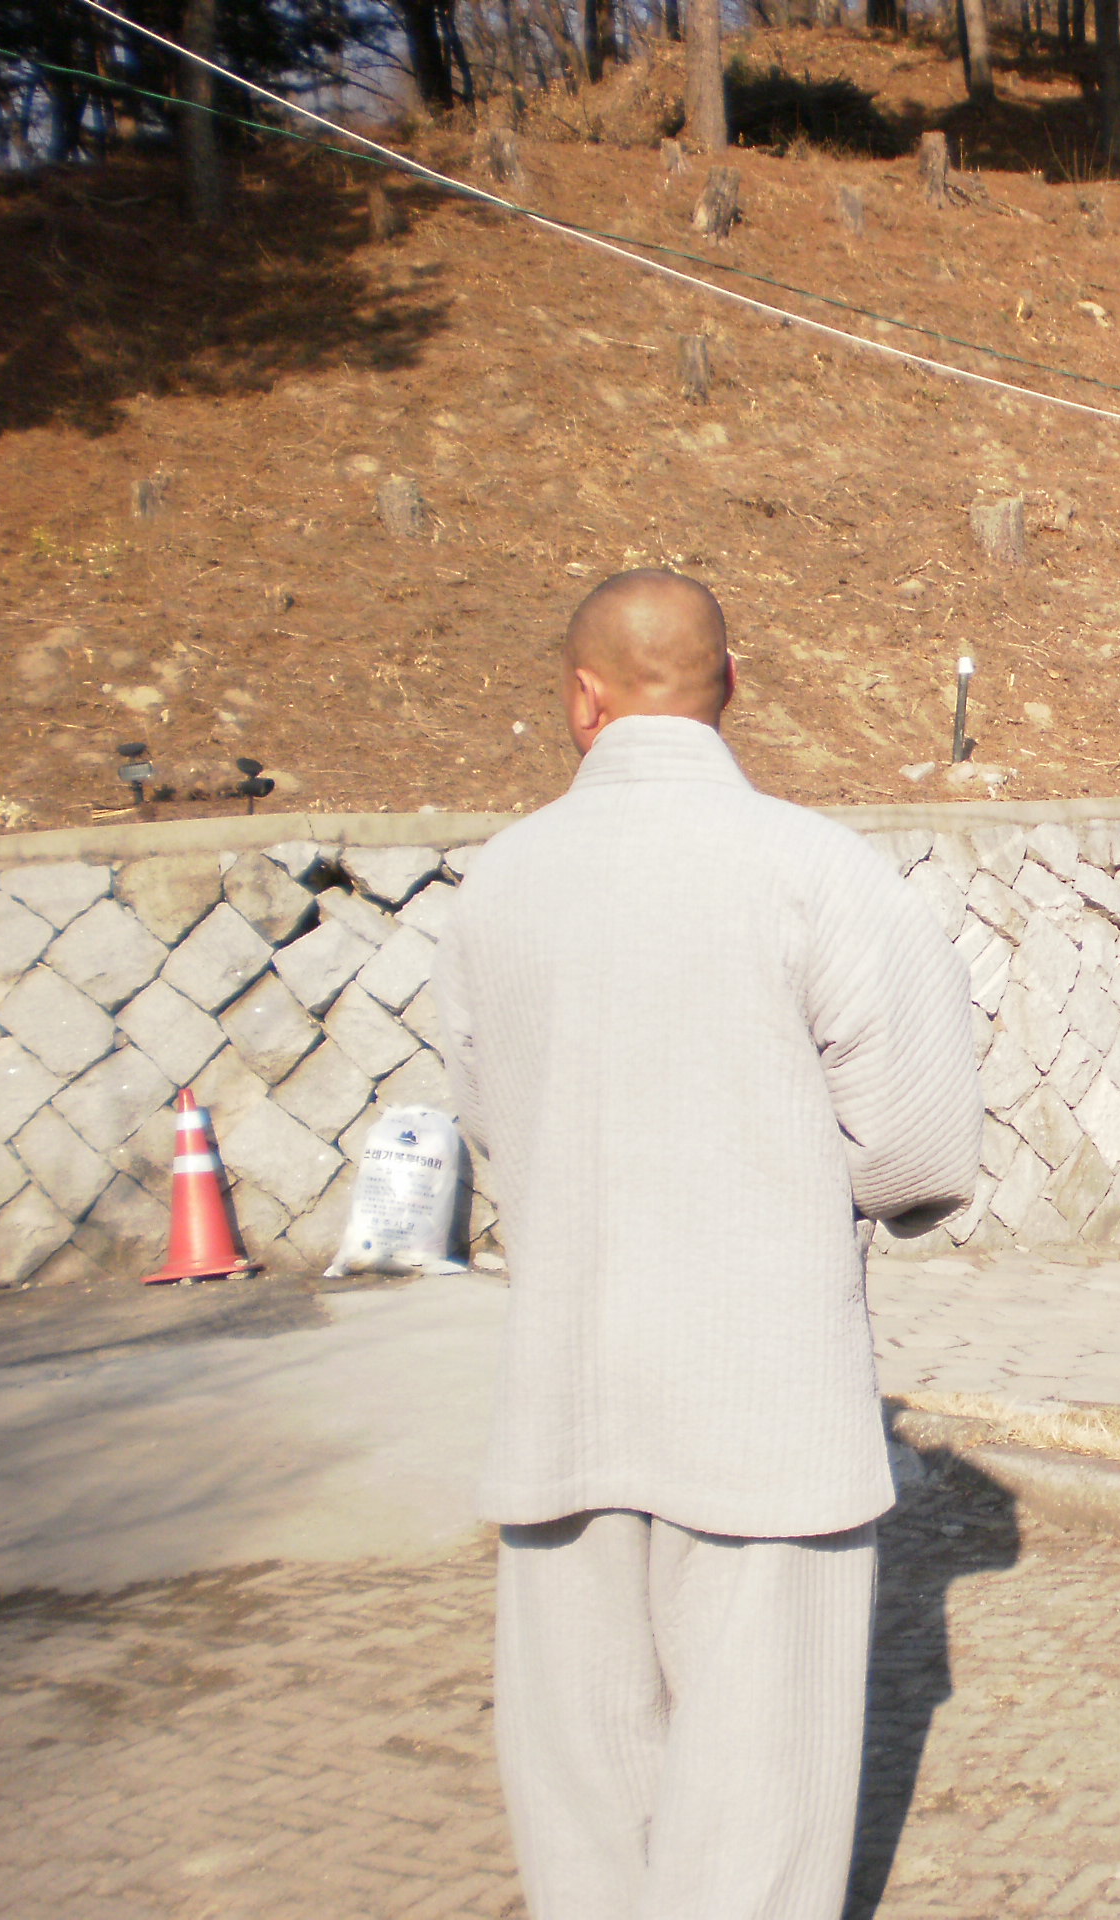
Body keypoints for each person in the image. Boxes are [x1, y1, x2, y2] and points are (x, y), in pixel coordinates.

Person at [433, 569, 983, 1919]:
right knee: (758, 1794)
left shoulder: (499, 885)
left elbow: (490, 1116)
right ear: (730, 686)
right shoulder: (817, 870)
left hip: (566, 1392)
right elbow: (918, 1150)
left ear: (584, 701)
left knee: (585, 1791)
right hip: (764, 1398)